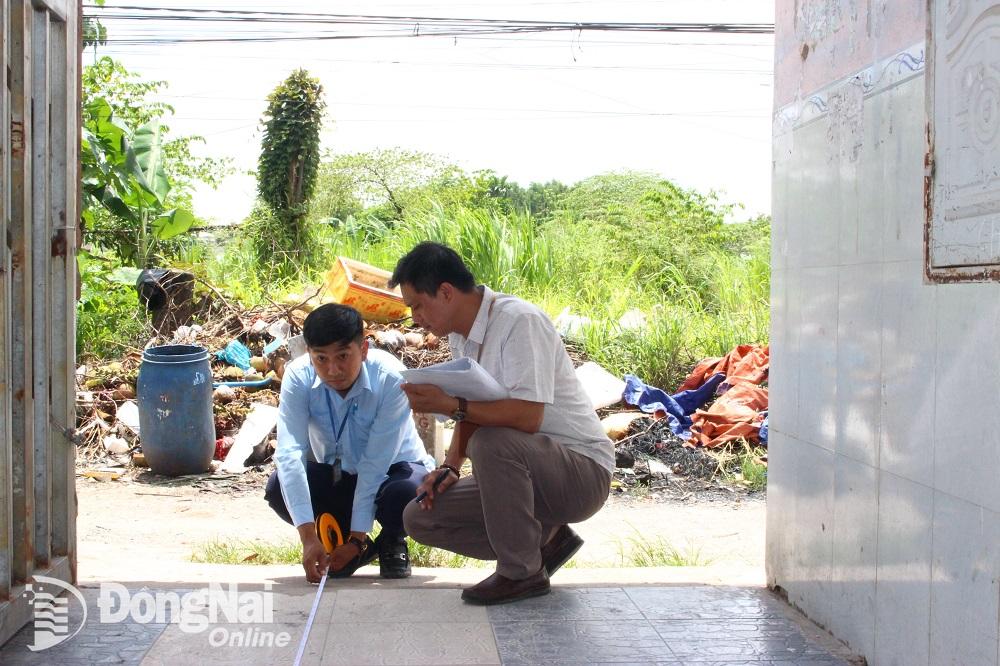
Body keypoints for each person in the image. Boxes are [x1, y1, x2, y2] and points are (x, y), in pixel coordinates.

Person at [390, 241, 614, 605]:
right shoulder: (461, 338)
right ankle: (545, 540)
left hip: (581, 474)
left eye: (417, 305)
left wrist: (449, 403)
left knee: (492, 442)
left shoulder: (519, 321)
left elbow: (528, 417)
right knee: (420, 518)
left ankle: (521, 573)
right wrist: (449, 467)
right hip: (526, 474)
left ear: (445, 292)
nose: (416, 318)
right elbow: (472, 406)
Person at [264, 303, 436, 582]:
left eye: (343, 356)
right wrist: (308, 537)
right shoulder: (297, 377)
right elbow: (289, 453)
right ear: (309, 355)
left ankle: (389, 539)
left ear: (364, 349)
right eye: (321, 359)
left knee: (407, 495)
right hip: (338, 474)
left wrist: (357, 540)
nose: (333, 370)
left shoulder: (391, 377)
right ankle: (336, 537)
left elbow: (375, 464)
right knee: (277, 487)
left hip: (392, 471)